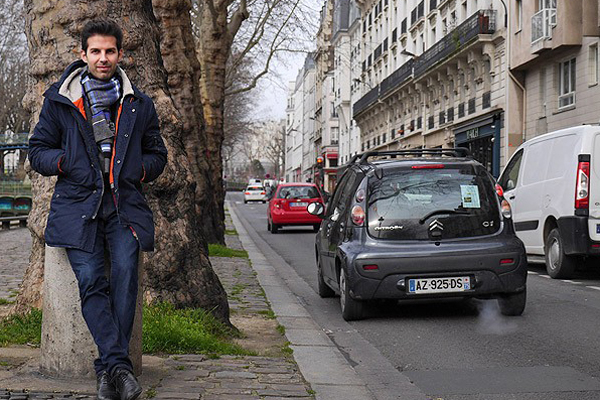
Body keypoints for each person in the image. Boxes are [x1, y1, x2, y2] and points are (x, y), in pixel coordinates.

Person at [28, 20, 167, 400]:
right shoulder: (60, 100)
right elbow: (37, 151)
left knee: (125, 276)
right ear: (83, 54)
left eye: (110, 51)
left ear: (121, 54)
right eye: (96, 51)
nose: (103, 58)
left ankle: (110, 370)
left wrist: (139, 169)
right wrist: (67, 161)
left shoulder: (139, 104)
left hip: (125, 207)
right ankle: (118, 369)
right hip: (77, 208)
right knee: (91, 281)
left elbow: (159, 155)